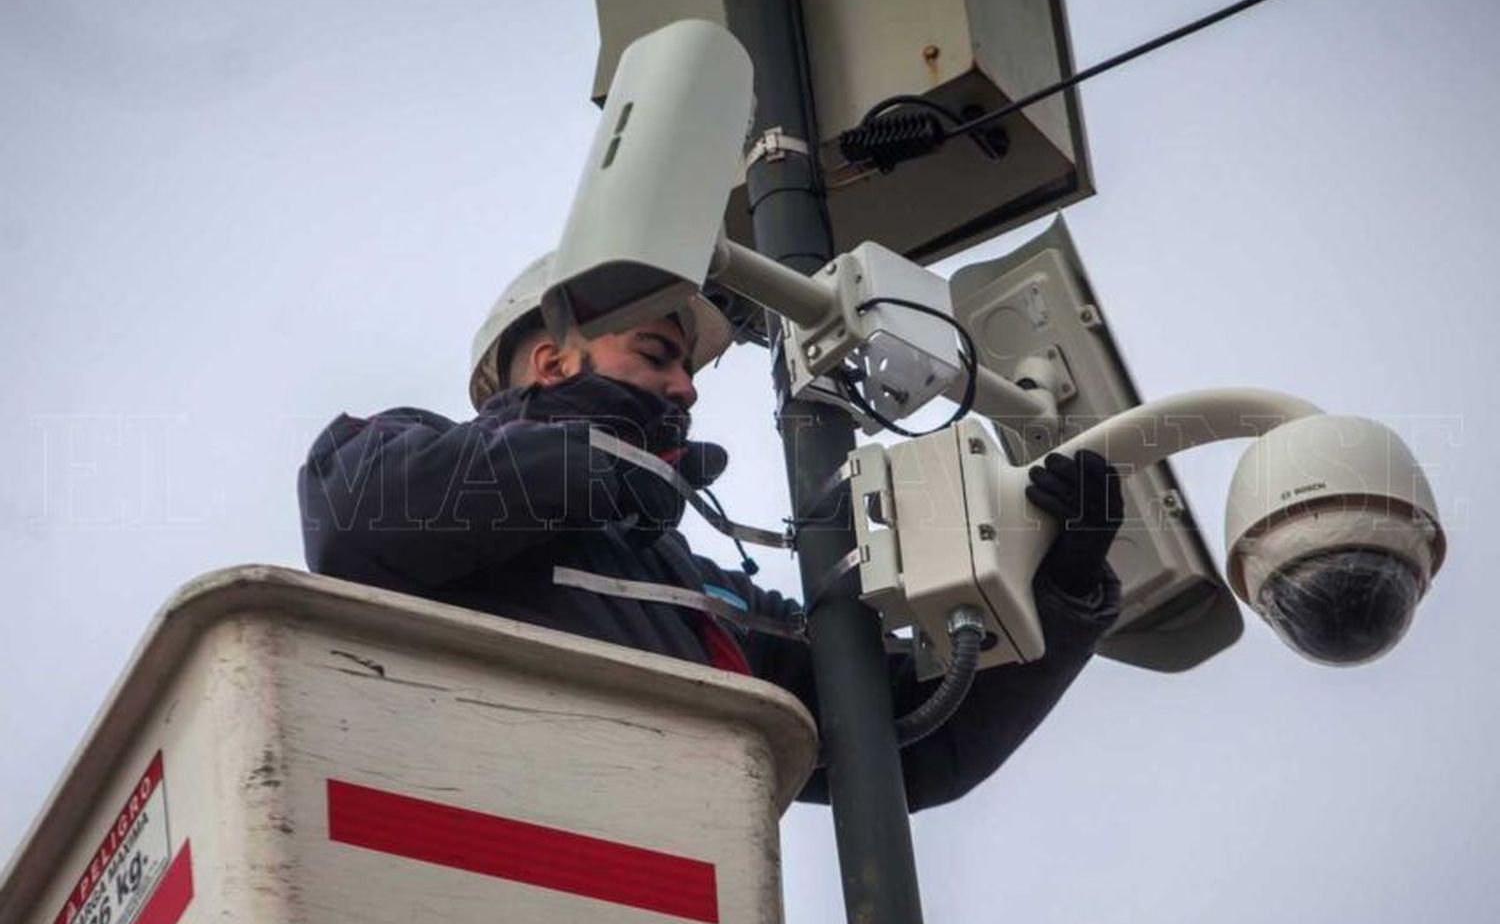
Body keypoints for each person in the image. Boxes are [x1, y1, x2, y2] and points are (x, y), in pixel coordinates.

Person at [298, 253, 1123, 812]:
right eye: (659, 353)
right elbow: (352, 522)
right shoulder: (397, 455)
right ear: (552, 364)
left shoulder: (709, 605)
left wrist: (1064, 591)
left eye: (688, 370)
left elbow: (912, 739)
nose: (686, 390)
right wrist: (604, 454)